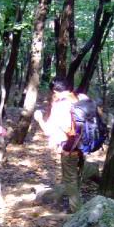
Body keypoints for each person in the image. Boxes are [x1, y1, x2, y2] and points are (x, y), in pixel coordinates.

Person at [33, 77, 84, 213]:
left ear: (55, 91)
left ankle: (77, 211)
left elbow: (48, 130)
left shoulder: (61, 106)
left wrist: (39, 119)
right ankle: (64, 200)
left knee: (70, 179)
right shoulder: (79, 98)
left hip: (69, 147)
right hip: (82, 145)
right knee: (74, 175)